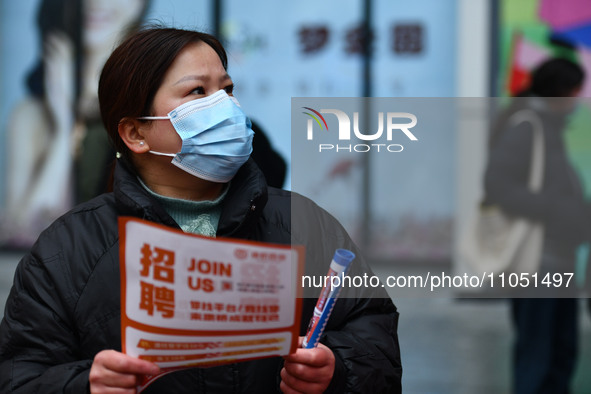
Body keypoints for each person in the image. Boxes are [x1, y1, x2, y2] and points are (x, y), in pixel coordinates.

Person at [0, 27, 402, 393]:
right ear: (135, 133)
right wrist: (85, 384)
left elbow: (376, 337)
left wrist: (337, 370)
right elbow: (20, 375)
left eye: (226, 89)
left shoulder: (302, 223)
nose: (225, 106)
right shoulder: (68, 250)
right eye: (197, 92)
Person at [1, 0, 150, 247]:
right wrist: (64, 129)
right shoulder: (30, 116)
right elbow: (28, 229)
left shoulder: (150, 108)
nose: (95, 4)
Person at [484, 58, 589, 394]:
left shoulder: (547, 126)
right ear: (559, 91)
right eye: (574, 91)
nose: (577, 99)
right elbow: (497, 183)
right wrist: (557, 210)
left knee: (561, 351)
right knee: (538, 354)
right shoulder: (528, 126)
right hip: (535, 263)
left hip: (557, 261)